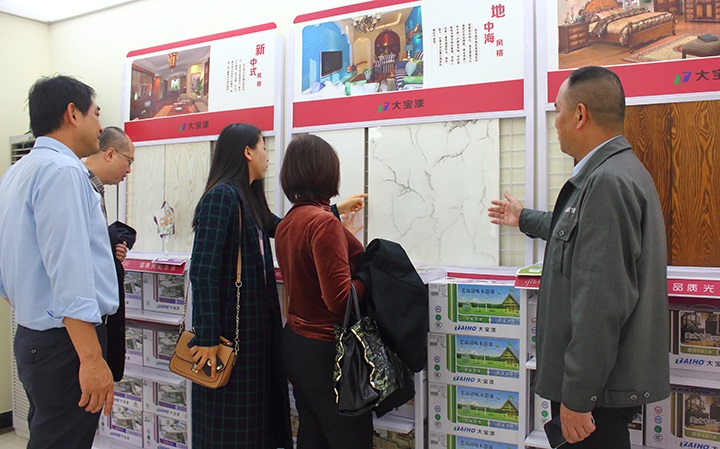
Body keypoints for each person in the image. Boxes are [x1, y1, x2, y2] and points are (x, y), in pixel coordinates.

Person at [488, 66, 669, 448]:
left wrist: (579, 395)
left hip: (595, 395)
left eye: (558, 111)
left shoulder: (606, 182)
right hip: (599, 388)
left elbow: (600, 302)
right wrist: (524, 218)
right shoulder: (615, 172)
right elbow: (577, 234)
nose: (555, 123)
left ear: (580, 114)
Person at [188, 123, 364, 449]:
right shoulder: (222, 197)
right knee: (233, 424)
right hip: (230, 335)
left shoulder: (249, 198)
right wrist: (208, 337)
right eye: (263, 147)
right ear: (247, 152)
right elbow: (203, 271)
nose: (268, 157)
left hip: (257, 332)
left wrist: (333, 212)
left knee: (258, 421)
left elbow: (285, 227)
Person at [0, 75, 117, 449]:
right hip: (65, 343)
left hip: (34, 336)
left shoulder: (16, 173)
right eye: (96, 113)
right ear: (73, 114)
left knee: (49, 436)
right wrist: (91, 358)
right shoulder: (63, 172)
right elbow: (70, 272)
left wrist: (35, 307)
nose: (100, 126)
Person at [275, 134, 371, 449]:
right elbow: (340, 300)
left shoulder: (288, 221)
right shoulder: (323, 223)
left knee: (313, 432)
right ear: (327, 171)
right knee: (350, 437)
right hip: (326, 350)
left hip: (296, 342)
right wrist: (368, 278)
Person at [85, 125, 137, 381]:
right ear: (110, 154)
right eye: (129, 161)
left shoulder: (95, 189)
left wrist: (110, 246)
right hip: (80, 321)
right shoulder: (78, 186)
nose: (129, 170)